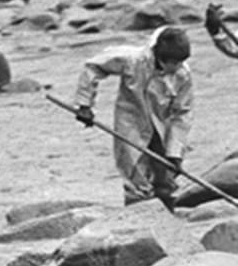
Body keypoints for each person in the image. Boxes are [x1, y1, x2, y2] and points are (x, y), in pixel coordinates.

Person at [72, 26, 195, 206]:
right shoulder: (133, 59)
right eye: (174, 63)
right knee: (136, 179)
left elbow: (182, 114)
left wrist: (175, 151)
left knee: (166, 176)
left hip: (162, 125)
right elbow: (93, 66)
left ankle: (169, 220)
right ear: (161, 57)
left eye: (181, 62)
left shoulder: (183, 74)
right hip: (131, 123)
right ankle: (139, 222)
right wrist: (85, 104)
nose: (178, 67)